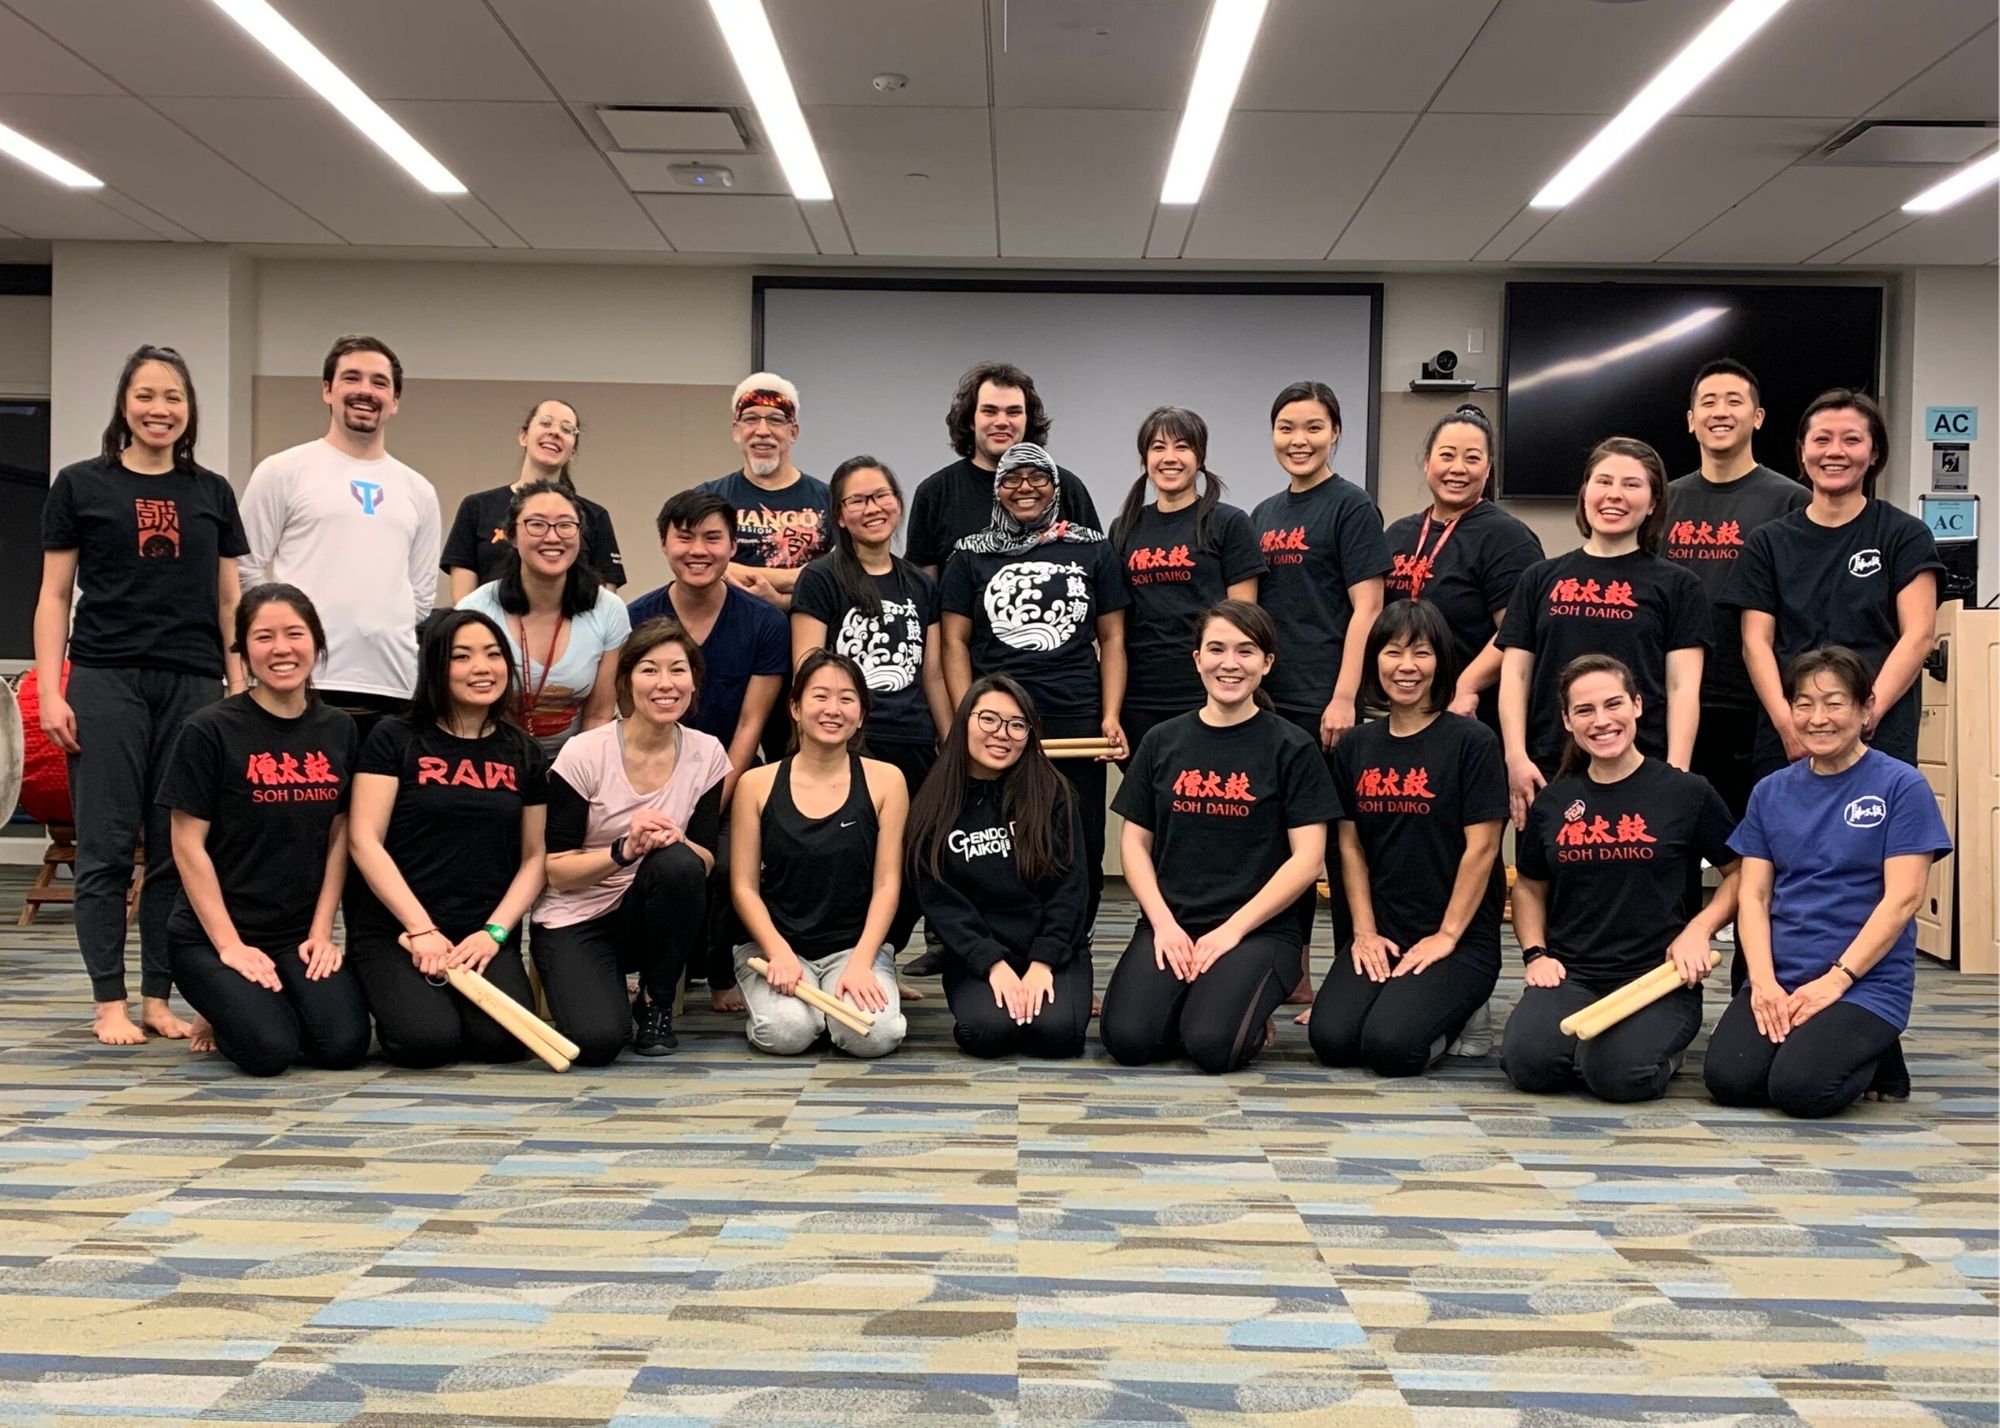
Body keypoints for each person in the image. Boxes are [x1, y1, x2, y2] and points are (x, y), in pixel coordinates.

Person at [35, 344, 246, 1046]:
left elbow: (226, 602)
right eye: (147, 395)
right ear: (125, 404)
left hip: (191, 681)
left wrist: (238, 684)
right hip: (105, 678)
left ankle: (158, 996)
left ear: (190, 411)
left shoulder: (211, 491)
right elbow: (55, 595)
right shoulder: (81, 484)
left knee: (174, 848)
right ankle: (107, 1001)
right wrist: (49, 689)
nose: (161, 409)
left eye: (174, 398)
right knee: (105, 844)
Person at [1705, 647, 1951, 1117]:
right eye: (1804, 704)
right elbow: (1753, 897)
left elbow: (1903, 900)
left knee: (1801, 1090)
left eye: (1834, 703)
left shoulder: (1901, 786)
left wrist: (1836, 982)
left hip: (1863, 980)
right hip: (1784, 975)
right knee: (1731, 1080)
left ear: (1864, 709)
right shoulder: (1771, 790)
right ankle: (1830, 1040)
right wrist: (1763, 984)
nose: (1818, 718)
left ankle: (1877, 1050)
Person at [1099, 601, 1338, 1074]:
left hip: (1259, 931)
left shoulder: (1292, 747)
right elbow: (1134, 845)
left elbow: (1308, 861)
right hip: (1173, 923)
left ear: (1267, 663)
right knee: (1127, 1040)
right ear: (1197, 659)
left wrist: (1231, 931)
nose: (1230, 663)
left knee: (1212, 1046)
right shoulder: (1162, 741)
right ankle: (1208, 1002)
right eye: (1217, 649)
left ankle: (1233, 1007)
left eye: (1246, 651)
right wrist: (1163, 924)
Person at [1502, 655, 1740, 1104]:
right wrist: (1536, 954)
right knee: (1528, 1065)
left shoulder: (1686, 793)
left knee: (1618, 1076)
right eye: (1585, 711)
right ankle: (1593, 1050)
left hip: (1659, 977)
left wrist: (1699, 931)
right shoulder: (1555, 801)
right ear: (1568, 721)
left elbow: (1741, 873)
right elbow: (1530, 886)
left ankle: (1655, 1053)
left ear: (1637, 705)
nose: (1602, 721)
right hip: (1573, 973)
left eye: (1613, 705)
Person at [161, 584, 370, 1076]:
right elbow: (187, 846)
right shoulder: (209, 729)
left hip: (295, 935)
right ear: (243, 652)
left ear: (316, 643)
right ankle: (219, 1003)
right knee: (269, 1051)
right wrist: (229, 946)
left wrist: (322, 931)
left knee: (343, 1046)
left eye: (295, 634)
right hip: (211, 937)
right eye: (264, 637)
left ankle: (256, 1003)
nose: (281, 649)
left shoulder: (339, 729)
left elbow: (340, 835)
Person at [1305, 600, 1506, 1076]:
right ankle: (1411, 1000)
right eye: (1393, 652)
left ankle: (1465, 1013)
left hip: (1457, 937)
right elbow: (1349, 846)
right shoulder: (1355, 745)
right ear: (1375, 659)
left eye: (1422, 653)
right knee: (1332, 1040)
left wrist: (1447, 936)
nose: (1407, 667)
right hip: (1385, 930)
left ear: (1442, 661)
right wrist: (1364, 932)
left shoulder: (1471, 743)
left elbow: (1483, 848)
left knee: (1391, 1048)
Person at [344, 610, 549, 1068]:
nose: (483, 667)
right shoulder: (393, 737)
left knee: (502, 1044)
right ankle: (377, 982)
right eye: (463, 657)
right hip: (397, 929)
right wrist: (421, 929)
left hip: (479, 932)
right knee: (427, 1043)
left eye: (494, 655)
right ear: (437, 666)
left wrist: (494, 933)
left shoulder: (523, 751)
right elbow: (363, 840)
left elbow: (536, 858)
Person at [939, 441, 1129, 925]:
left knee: (1080, 836)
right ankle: (1005, 938)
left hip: (1076, 715)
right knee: (1000, 835)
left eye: (1037, 477)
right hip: (999, 719)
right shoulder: (968, 554)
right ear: (997, 489)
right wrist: (967, 716)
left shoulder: (1092, 547)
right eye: (1012, 479)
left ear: (1055, 485)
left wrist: (1109, 715)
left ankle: (1075, 939)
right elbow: (955, 643)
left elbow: (1112, 637)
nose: (1025, 488)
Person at [533, 620, 731, 1064]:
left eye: (678, 670)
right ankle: (604, 995)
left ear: (694, 680)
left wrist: (676, 838)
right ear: (626, 681)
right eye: (649, 670)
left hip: (645, 915)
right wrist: (624, 850)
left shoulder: (708, 753)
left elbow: (703, 860)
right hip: (575, 916)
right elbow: (556, 870)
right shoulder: (583, 752)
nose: (665, 684)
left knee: (679, 862)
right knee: (599, 1042)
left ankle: (656, 1003)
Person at [1722, 389, 1943, 775]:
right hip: (1789, 735)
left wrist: (1865, 715)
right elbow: (1755, 643)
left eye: (1852, 439)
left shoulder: (1904, 534)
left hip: (1880, 734)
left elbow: (1919, 634)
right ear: (1803, 452)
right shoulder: (1767, 542)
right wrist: (1787, 724)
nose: (1835, 452)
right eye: (1821, 439)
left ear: (1874, 453)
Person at [627, 489, 788, 1012]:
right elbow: (624, 715)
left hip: (730, 778)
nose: (699, 549)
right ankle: (642, 967)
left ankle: (720, 974)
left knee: (723, 863)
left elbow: (750, 724)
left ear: (732, 545)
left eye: (713, 537)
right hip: (647, 773)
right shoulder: (636, 617)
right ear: (664, 543)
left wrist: (710, 798)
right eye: (684, 537)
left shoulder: (764, 622)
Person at [238, 335, 441, 744]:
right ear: (328, 390)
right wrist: (287, 636)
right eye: (352, 378)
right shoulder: (283, 470)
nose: (366, 390)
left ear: (395, 400)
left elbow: (420, 598)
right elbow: (245, 569)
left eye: (379, 382)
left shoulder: (418, 489)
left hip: (394, 685)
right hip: (304, 681)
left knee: (378, 810)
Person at [1498, 437, 1709, 829]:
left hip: (1645, 764)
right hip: (1549, 767)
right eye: (1604, 481)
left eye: (1632, 484)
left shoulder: (1679, 585)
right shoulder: (1539, 578)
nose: (1615, 495)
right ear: (1585, 494)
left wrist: (1675, 776)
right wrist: (1515, 756)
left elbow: (1682, 686)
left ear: (1652, 504)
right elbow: (1516, 674)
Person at [790, 456, 951, 957]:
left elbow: (934, 671)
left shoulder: (921, 584)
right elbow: (807, 667)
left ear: (897, 504)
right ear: (839, 515)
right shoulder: (821, 578)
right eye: (856, 500)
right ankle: (843, 955)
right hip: (851, 743)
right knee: (852, 859)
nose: (871, 508)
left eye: (880, 496)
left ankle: (880, 954)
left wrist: (950, 743)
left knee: (914, 856)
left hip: (913, 743)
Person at [729, 652, 909, 1057]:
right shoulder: (755, 783)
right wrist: (777, 951)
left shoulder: (887, 780)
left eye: (847, 699)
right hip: (774, 944)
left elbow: (887, 883)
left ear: (861, 714)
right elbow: (743, 886)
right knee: (787, 1034)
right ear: (794, 707)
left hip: (853, 945)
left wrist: (862, 962)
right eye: (820, 696)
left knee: (874, 1035)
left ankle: (834, 1004)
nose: (833, 709)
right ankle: (803, 1011)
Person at [906, 675, 1092, 1059]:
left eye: (1017, 724)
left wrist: (1043, 961)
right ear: (965, 722)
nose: (1001, 734)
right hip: (979, 952)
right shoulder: (935, 799)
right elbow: (940, 899)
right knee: (987, 1033)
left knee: (1058, 1035)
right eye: (988, 719)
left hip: (1052, 947)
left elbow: (1071, 886)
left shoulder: (1053, 791)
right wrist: (993, 964)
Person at [1663, 360, 1808, 824]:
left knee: (1759, 844)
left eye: (1734, 401)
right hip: (1670, 699)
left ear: (1758, 417)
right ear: (1690, 420)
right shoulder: (1663, 501)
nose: (1719, 412)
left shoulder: (1790, 501)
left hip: (1755, 705)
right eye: (1707, 402)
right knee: (1673, 837)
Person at [1111, 406, 1264, 750]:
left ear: (1200, 456)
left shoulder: (1229, 523)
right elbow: (1114, 629)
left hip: (1208, 693)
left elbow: (1244, 622)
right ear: (1144, 457)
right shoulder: (1123, 529)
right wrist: (1112, 708)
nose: (1170, 458)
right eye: (1158, 447)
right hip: (1140, 698)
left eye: (1182, 446)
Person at [1381, 405, 1542, 727]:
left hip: (1466, 715)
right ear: (1427, 461)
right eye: (1447, 455)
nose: (1458, 468)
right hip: (1398, 710)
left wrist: (1466, 686)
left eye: (1472, 458)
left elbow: (1519, 631)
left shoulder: (1507, 537)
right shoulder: (1397, 534)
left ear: (1488, 468)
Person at [456, 480, 631, 755]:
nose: (552, 537)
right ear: (511, 535)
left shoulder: (608, 610)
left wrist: (573, 779)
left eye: (565, 525)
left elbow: (598, 715)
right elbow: (464, 716)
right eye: (536, 524)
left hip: (573, 763)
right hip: (492, 760)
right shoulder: (477, 609)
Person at [906, 361, 1103, 576]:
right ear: (971, 419)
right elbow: (924, 593)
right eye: (989, 411)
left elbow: (1099, 569)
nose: (1002, 422)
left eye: (1013, 412)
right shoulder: (935, 494)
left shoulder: (1065, 487)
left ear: (1027, 420)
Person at [442, 398, 625, 600]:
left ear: (573, 451)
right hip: (489, 629)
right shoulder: (477, 507)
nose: (555, 432)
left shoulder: (595, 516)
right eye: (546, 423)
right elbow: (463, 605)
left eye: (567, 429)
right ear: (523, 436)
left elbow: (607, 604)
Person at [695, 373, 831, 610]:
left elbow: (842, 574)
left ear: (794, 432)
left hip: (806, 638)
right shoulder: (708, 498)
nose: (762, 431)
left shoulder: (828, 499)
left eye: (776, 420)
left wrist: (781, 601)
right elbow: (700, 562)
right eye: (750, 418)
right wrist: (794, 577)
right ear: (736, 430)